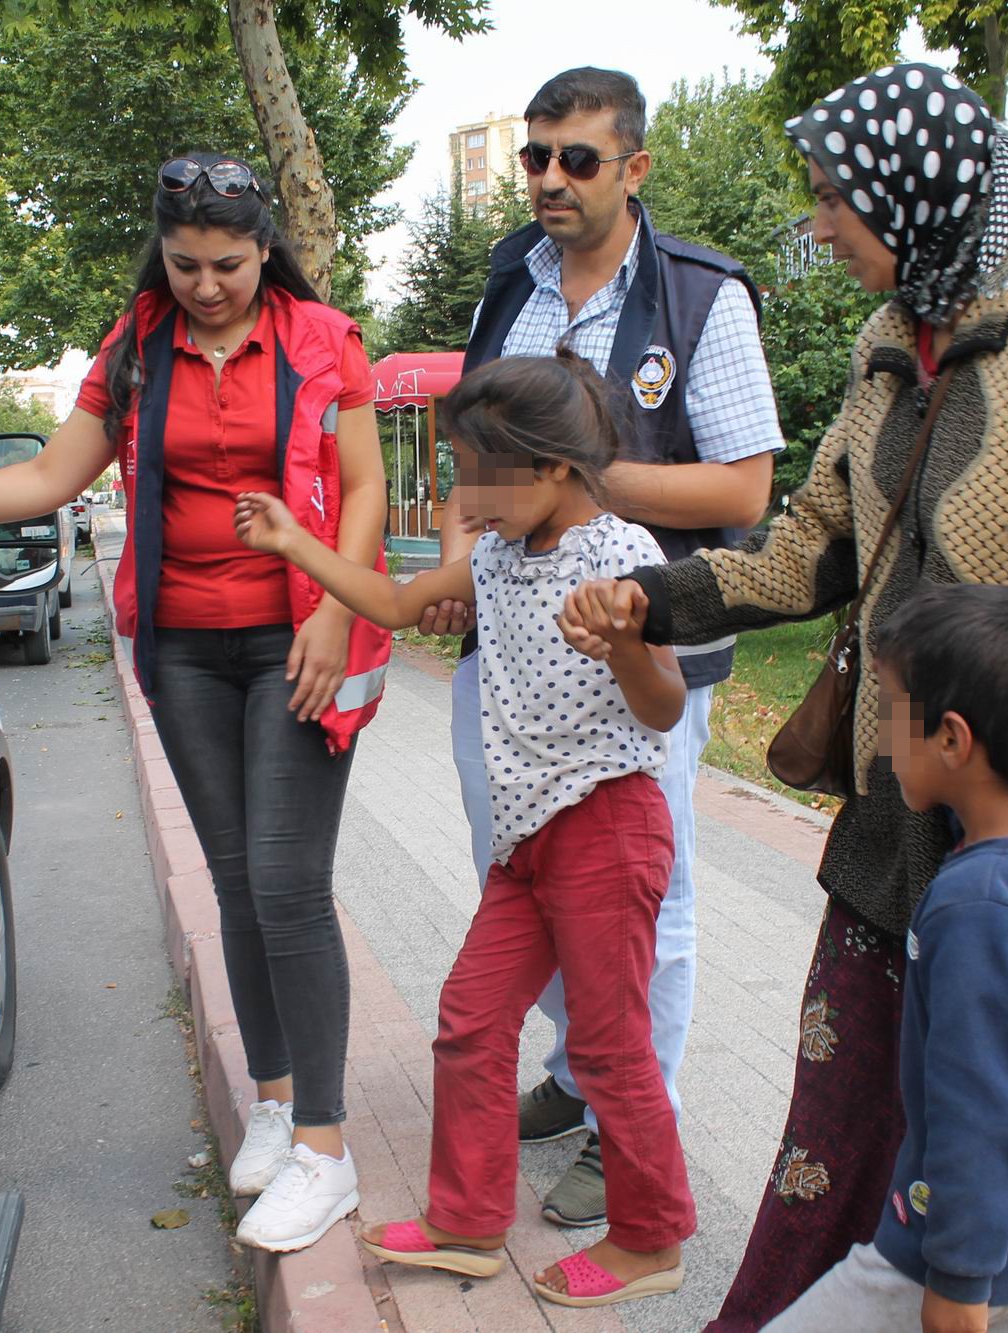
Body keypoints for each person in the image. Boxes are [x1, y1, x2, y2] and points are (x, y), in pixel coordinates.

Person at [560, 63, 1008, 1333]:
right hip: (903, 791)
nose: (819, 224)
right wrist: (650, 602)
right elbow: (809, 548)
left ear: (911, 187)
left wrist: (986, 655)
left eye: (833, 197)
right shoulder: (892, 343)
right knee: (859, 1093)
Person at [0, 152, 388, 1254]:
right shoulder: (139, 344)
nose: (206, 285)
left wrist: (337, 608)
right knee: (238, 884)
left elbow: (366, 483)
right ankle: (279, 1100)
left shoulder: (321, 336)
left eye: (229, 265)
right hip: (185, 648)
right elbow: (52, 477)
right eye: (186, 263)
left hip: (297, 637)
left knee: (290, 884)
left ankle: (327, 1155)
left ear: (264, 250)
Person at [234, 350, 695, 1308]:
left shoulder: (623, 556)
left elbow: (662, 707)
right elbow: (398, 605)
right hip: (526, 842)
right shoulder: (494, 555)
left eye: (482, 470)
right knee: (469, 1021)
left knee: (611, 1046)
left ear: (554, 469)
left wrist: (621, 644)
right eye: (458, 467)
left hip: (608, 826)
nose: (462, 490)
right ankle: (468, 1221)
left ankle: (652, 1237)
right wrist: (294, 545)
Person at [423, 65, 783, 1227]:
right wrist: (467, 526)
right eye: (535, 156)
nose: (548, 180)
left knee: (643, 905)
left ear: (633, 168)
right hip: (513, 650)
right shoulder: (506, 284)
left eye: (576, 159)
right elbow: (471, 449)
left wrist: (566, 482)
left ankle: (636, 1124)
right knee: (520, 869)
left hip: (635, 655)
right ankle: (579, 1077)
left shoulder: (698, 297)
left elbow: (741, 484)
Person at [756, 584, 1008, 1333]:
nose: (881, 739)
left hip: (944, 1259)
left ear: (952, 739)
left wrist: (957, 1277)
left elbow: (981, 1111)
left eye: (889, 714)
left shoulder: (976, 907)